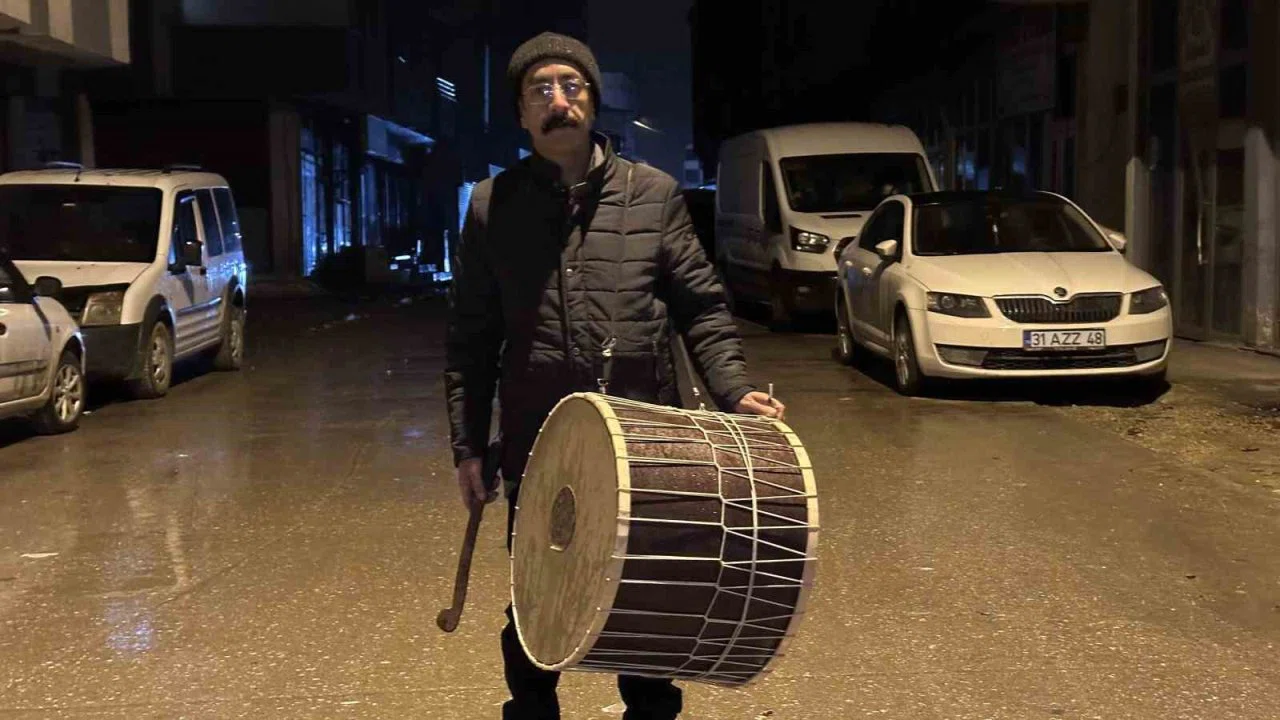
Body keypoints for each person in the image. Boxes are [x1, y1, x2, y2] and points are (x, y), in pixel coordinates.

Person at [443, 31, 785, 720]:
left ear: (593, 103)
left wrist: (732, 389)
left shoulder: (653, 195)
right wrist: (469, 447)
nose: (558, 100)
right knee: (539, 589)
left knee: (648, 592)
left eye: (571, 86)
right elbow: (471, 341)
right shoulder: (491, 205)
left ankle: (650, 711)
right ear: (521, 114)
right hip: (539, 441)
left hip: (646, 437)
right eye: (540, 90)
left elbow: (700, 307)